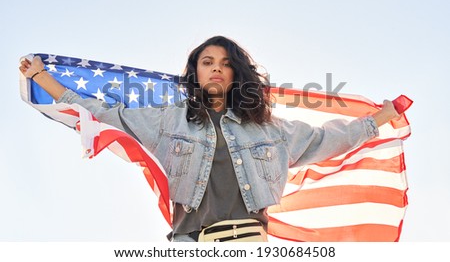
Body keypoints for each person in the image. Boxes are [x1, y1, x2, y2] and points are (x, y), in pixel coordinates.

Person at [19, 36, 400, 242]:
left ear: (236, 73)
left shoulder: (269, 129)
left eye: (225, 62)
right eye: (207, 62)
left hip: (247, 240)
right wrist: (42, 79)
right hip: (186, 243)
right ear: (195, 73)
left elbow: (325, 138)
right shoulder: (168, 120)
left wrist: (381, 117)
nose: (216, 67)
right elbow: (101, 113)